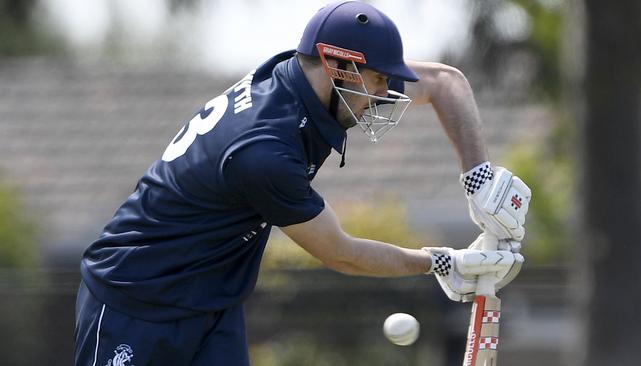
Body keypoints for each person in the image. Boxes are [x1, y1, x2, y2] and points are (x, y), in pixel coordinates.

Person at [74, 1, 531, 365]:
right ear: (337, 65)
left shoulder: (302, 79)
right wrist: (441, 262)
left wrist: (479, 178)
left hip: (212, 303)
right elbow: (342, 253)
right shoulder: (264, 153)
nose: (381, 95)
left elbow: (444, 81)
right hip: (134, 300)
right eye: (375, 79)